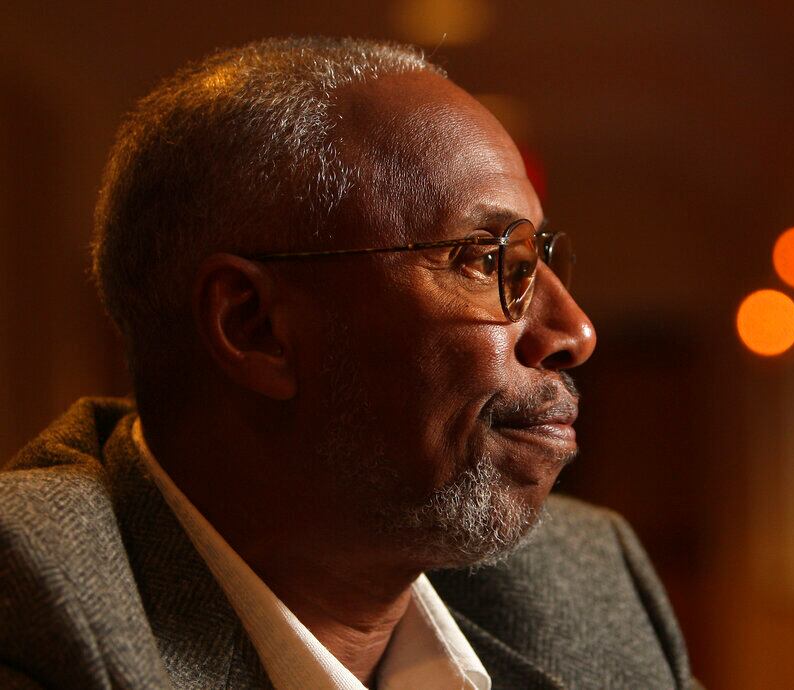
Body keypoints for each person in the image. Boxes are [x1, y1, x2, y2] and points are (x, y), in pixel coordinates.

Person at [0, 37, 700, 690]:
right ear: (255, 326)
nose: (575, 331)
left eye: (536, 261)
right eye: (486, 261)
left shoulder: (588, 585)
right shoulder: (32, 603)